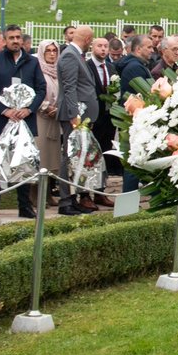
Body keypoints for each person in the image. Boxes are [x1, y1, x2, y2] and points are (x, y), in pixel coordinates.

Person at [0, 24, 47, 220]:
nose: (15, 41)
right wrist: (5, 110)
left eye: (18, 37)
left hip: (24, 122)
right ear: (5, 40)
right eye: (11, 38)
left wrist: (29, 109)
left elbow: (41, 89)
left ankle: (24, 206)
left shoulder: (32, 62)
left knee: (23, 164)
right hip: (2, 122)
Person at [56, 26, 100, 216]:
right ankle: (66, 200)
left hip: (83, 117)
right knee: (69, 157)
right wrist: (74, 115)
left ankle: (74, 197)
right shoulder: (69, 56)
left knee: (79, 158)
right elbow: (69, 87)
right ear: (88, 38)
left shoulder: (76, 54)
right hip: (75, 118)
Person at [118, 35, 154, 195]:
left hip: (136, 119)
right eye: (149, 47)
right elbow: (146, 93)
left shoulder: (138, 65)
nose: (152, 50)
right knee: (134, 159)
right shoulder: (135, 67)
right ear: (138, 49)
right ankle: (129, 199)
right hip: (135, 120)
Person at [87, 37, 121, 189]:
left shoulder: (111, 67)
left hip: (108, 118)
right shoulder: (87, 66)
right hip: (93, 117)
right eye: (99, 46)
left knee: (106, 152)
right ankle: (89, 189)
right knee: (91, 154)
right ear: (92, 48)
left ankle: (101, 187)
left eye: (105, 46)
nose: (103, 49)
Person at [35, 40, 64, 208]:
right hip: (41, 118)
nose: (52, 54)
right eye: (48, 51)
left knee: (52, 158)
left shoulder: (58, 71)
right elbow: (35, 92)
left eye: (54, 50)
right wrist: (46, 107)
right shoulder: (38, 70)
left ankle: (46, 193)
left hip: (55, 119)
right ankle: (35, 194)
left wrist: (58, 108)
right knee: (41, 157)